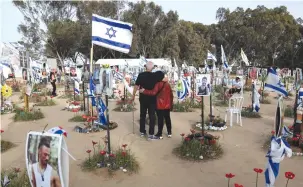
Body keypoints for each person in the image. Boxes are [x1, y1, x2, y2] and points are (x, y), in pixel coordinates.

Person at [132, 61, 164, 139]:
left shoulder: (141, 75)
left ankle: (142, 131)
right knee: (152, 116)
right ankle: (151, 133)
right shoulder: (155, 76)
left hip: (143, 98)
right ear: (152, 68)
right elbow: (162, 76)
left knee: (142, 115)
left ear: (145, 67)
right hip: (152, 99)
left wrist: (133, 95)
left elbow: (136, 86)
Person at [139, 72, 173, 139]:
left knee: (160, 119)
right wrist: (171, 104)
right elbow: (171, 95)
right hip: (167, 104)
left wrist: (144, 91)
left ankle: (159, 134)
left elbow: (153, 93)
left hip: (160, 104)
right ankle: (169, 132)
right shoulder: (167, 84)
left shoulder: (158, 84)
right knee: (167, 118)